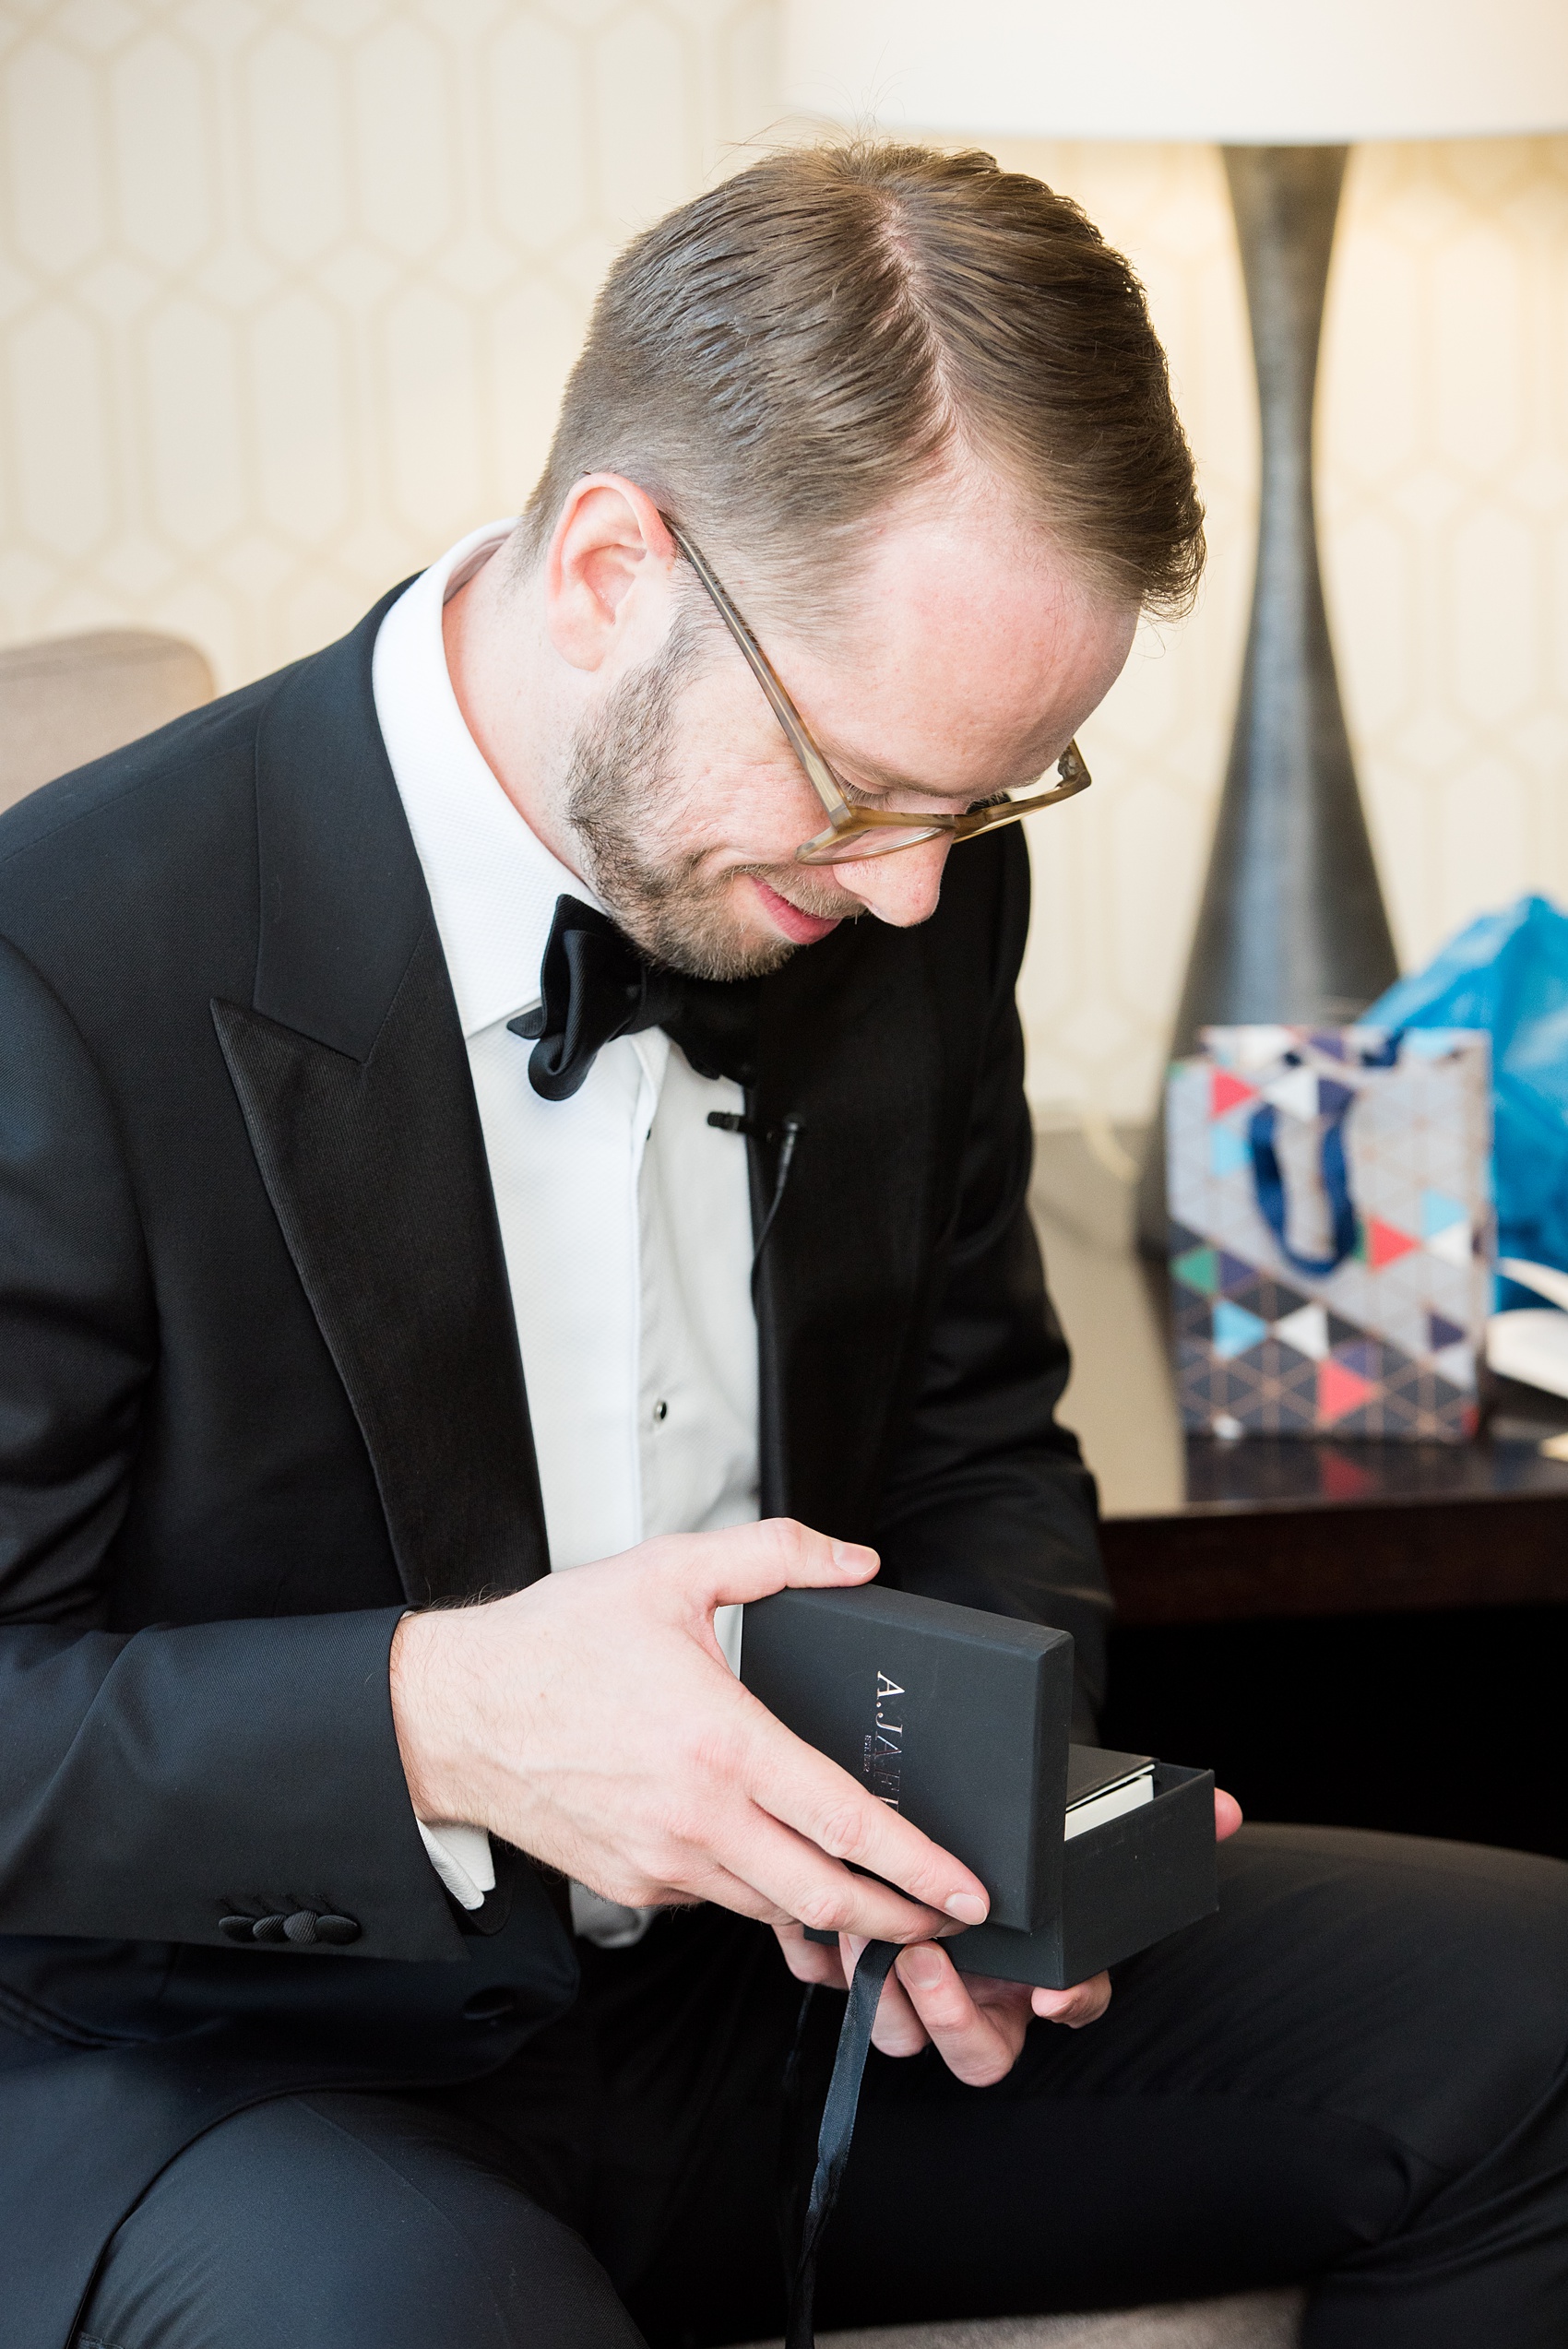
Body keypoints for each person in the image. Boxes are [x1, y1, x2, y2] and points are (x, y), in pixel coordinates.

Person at [0, 141, 1563, 2349]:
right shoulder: (53, 963)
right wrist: (436, 1717)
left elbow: (975, 1427)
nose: (920, 890)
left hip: (764, 1995)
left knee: (1539, 2014)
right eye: (862, 786)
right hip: (242, 2056)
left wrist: (983, 1831)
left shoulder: (907, 866)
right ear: (614, 568)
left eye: (993, 797)